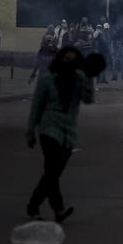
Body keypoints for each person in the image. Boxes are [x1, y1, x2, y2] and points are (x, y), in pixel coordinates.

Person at [25, 47, 95, 222]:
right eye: (65, 59)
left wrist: (90, 77)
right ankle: (56, 209)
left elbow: (88, 99)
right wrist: (30, 131)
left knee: (53, 172)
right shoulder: (47, 79)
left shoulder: (79, 79)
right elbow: (37, 107)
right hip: (49, 129)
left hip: (68, 133)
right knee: (52, 170)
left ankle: (35, 205)